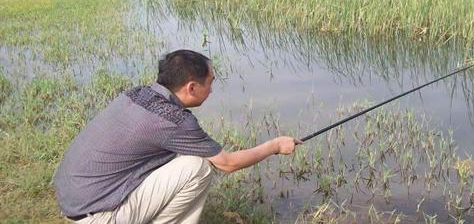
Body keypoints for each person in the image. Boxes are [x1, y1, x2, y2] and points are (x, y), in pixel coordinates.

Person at [54, 49, 301, 223]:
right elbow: (228, 163)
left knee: (183, 157)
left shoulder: (138, 94)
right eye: (210, 82)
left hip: (73, 202)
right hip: (97, 216)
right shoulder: (175, 120)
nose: (212, 89)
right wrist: (276, 145)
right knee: (197, 167)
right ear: (191, 87)